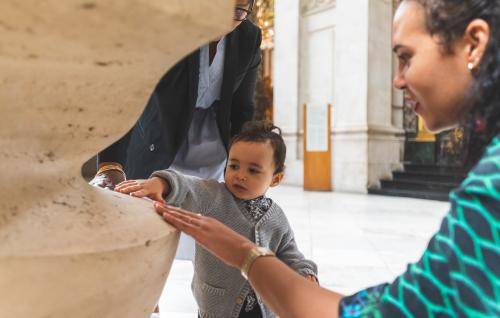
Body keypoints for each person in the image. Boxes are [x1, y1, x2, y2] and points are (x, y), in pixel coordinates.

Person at [152, 0, 500, 317]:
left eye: (406, 57)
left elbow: (399, 309)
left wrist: (246, 255)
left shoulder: (492, 184)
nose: (396, 80)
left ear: (473, 43)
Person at [91, 0, 261, 262]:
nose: (224, 17)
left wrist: (250, 163)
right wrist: (110, 163)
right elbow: (126, 90)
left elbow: (242, 109)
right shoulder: (169, 25)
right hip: (160, 134)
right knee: (144, 224)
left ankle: (206, 295)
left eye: (238, 10)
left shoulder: (248, 36)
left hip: (212, 146)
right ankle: (146, 291)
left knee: (206, 231)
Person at [116, 121, 318, 318]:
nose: (240, 175)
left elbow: (290, 253)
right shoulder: (213, 196)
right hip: (218, 307)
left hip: (265, 307)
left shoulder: (277, 217)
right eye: (234, 165)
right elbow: (187, 185)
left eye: (253, 170)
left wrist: (305, 273)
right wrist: (162, 183)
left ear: (276, 178)